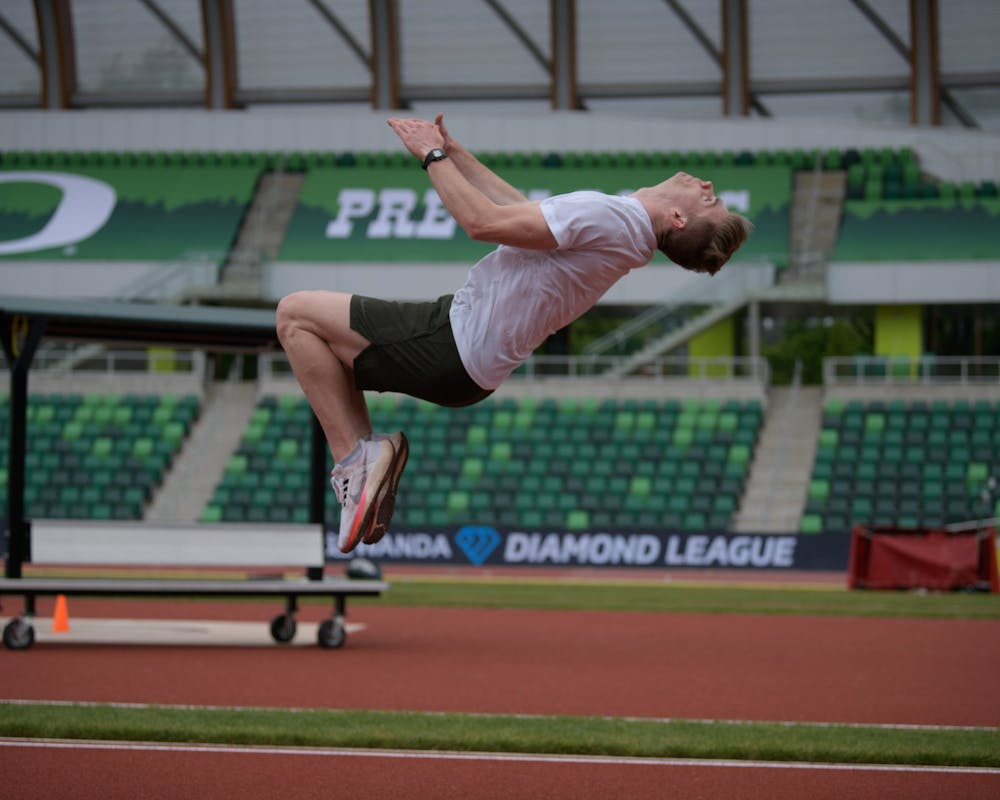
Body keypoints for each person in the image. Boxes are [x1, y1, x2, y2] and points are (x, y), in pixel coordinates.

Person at [276, 114, 752, 554]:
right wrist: (456, 152)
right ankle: (364, 461)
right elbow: (519, 212)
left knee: (295, 316)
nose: (707, 184)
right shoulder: (624, 234)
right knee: (327, 356)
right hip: (468, 360)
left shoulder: (616, 219)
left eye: (708, 199)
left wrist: (431, 156)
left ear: (679, 220)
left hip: (453, 342)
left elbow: (483, 222)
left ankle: (356, 462)